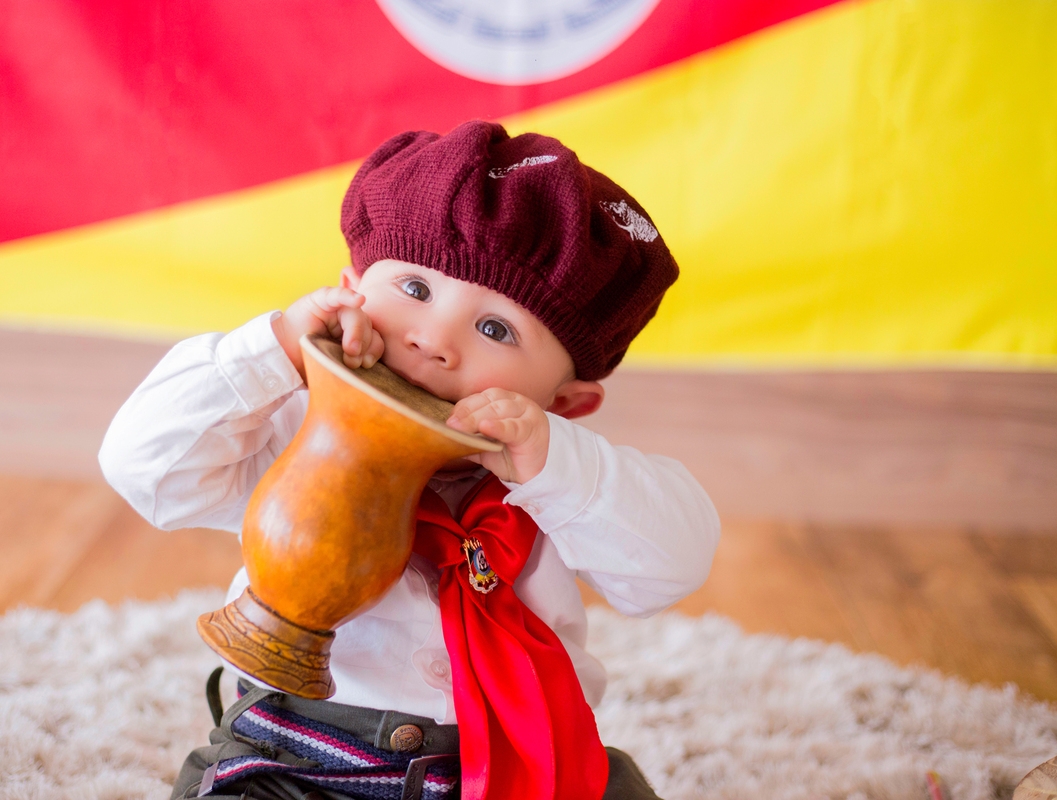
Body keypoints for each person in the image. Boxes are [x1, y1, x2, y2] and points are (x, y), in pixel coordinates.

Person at [99, 120, 720, 800]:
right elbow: (143, 464)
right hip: (298, 754)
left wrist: (558, 462)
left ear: (565, 402)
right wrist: (275, 349)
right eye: (415, 291)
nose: (433, 339)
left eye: (495, 329)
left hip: (519, 762)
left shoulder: (555, 483)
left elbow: (671, 568)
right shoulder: (297, 425)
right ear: (349, 290)